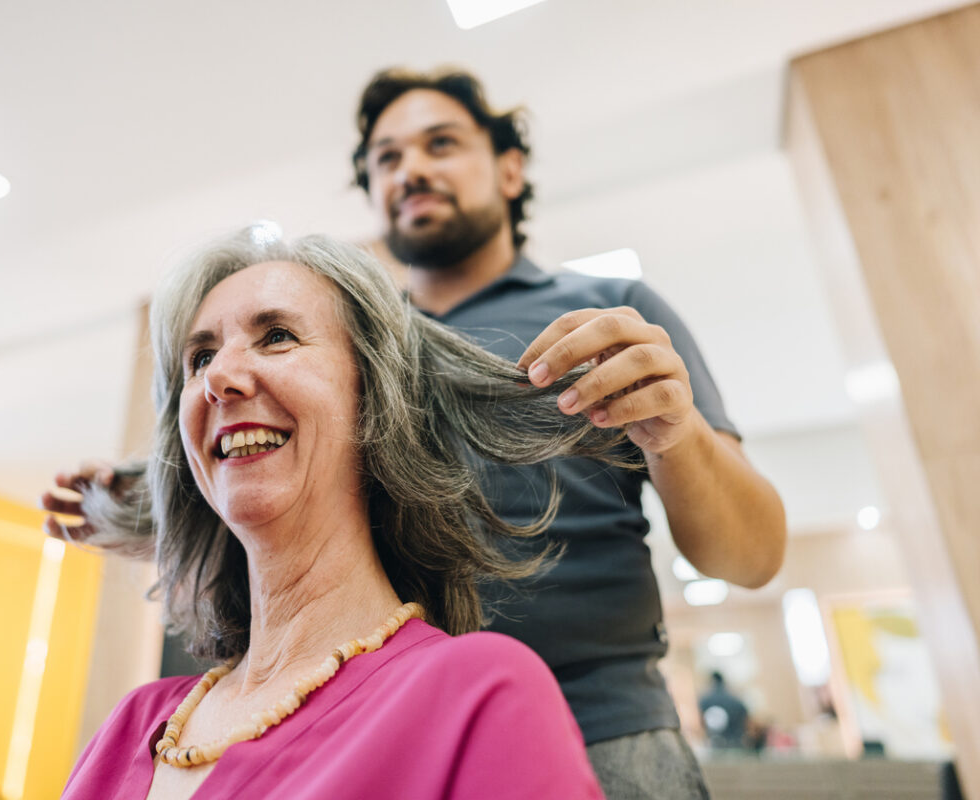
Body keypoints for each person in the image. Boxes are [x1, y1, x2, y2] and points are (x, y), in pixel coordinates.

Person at [46, 67, 787, 798]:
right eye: (387, 158)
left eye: (440, 144)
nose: (411, 170)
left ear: (509, 168)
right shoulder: (349, 345)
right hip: (394, 731)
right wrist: (136, 506)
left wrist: (676, 431)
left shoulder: (609, 313)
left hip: (611, 736)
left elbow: (750, 556)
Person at [60, 230, 607, 799]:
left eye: (276, 336)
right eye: (200, 357)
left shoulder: (478, 692)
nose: (220, 377)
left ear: (375, 394)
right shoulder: (131, 725)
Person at [698, 672, 749, 750]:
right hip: (734, 743)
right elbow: (745, 715)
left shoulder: (705, 700)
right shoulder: (735, 700)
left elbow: (701, 720)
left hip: (713, 744)